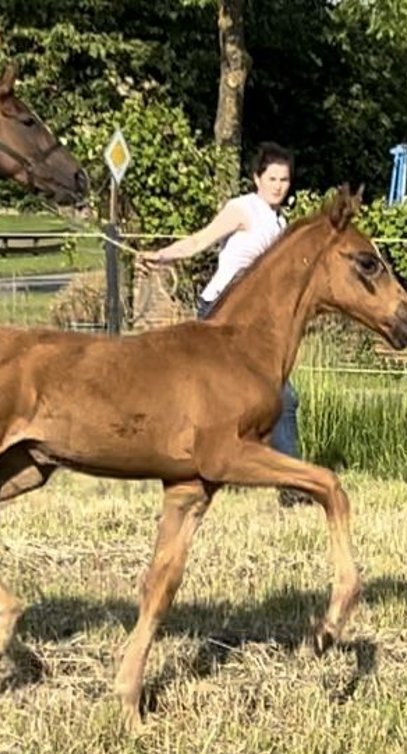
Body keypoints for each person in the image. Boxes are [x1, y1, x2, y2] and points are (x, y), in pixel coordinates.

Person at [138, 142, 309, 506]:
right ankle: (290, 483)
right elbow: (202, 239)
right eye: (272, 178)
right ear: (256, 179)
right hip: (220, 312)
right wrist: (162, 256)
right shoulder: (243, 209)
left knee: (278, 399)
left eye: (284, 180)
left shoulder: (281, 224)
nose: (279, 186)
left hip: (253, 325)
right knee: (277, 397)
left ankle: (260, 473)